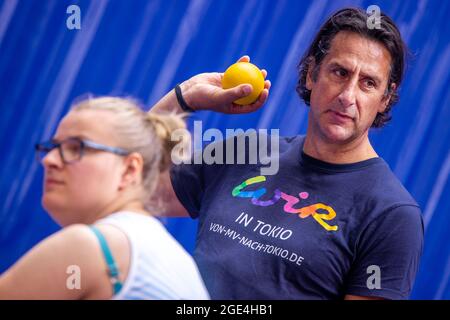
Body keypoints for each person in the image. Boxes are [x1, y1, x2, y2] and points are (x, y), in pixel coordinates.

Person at [150, 8, 424, 299]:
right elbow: (136, 186)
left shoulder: (391, 216)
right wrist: (184, 98)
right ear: (311, 74)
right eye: (340, 72)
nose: (347, 96)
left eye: (368, 83)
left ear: (384, 98)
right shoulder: (246, 152)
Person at [0, 97, 209, 300]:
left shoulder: (90, 246)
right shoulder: (175, 261)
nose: (49, 160)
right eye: (52, 147)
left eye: (76, 147)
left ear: (129, 169)